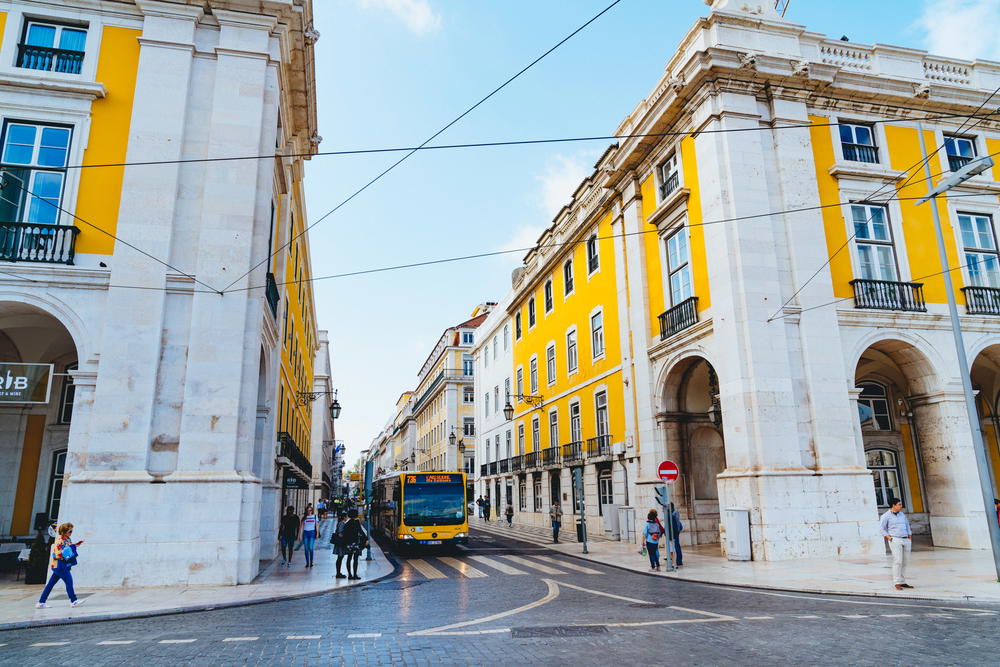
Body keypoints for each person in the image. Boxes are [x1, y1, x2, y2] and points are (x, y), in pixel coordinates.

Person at [37, 522, 85, 608]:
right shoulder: (60, 541)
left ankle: (41, 602)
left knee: (50, 584)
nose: (71, 533)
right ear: (64, 532)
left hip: (60, 565)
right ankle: (73, 601)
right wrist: (69, 550)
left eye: (71, 531)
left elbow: (68, 548)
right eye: (70, 531)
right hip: (59, 565)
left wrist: (76, 545)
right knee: (69, 581)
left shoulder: (67, 539)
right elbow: (58, 553)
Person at [880, 499, 913, 590]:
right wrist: (889, 537)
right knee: (898, 561)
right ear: (893, 505)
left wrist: (910, 536)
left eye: (900, 504)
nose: (900, 506)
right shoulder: (886, 516)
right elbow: (882, 529)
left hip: (906, 539)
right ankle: (897, 582)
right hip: (895, 539)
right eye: (899, 504)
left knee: (905, 561)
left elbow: (907, 526)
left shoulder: (902, 515)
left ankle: (903, 581)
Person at [340, 509, 368, 580]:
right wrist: (366, 539)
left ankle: (350, 574)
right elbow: (361, 531)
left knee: (349, 559)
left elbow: (344, 533)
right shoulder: (357, 522)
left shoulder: (347, 523)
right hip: (355, 543)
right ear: (355, 515)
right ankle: (355, 574)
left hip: (349, 544)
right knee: (355, 559)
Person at [331, 512, 349, 578]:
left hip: (339, 543)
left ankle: (338, 573)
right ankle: (338, 573)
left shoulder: (340, 523)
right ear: (344, 517)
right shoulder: (342, 523)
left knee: (340, 558)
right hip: (340, 543)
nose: (347, 518)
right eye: (346, 517)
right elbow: (340, 534)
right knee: (340, 558)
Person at [301, 504, 318, 568]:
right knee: (306, 549)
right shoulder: (304, 517)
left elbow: (317, 525)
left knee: (310, 548)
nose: (309, 512)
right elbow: (301, 527)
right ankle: (307, 562)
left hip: (312, 533)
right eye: (308, 511)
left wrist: (317, 534)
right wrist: (299, 535)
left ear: (312, 511)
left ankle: (311, 561)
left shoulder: (315, 516)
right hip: (305, 533)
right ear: (306, 511)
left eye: (310, 510)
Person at [669, 502, 684, 567]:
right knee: (675, 546)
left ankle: (679, 560)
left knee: (676, 546)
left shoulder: (674, 513)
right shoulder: (673, 513)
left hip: (675, 532)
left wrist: (676, 532)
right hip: (675, 531)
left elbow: (676, 523)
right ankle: (676, 559)